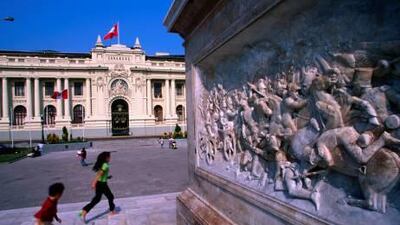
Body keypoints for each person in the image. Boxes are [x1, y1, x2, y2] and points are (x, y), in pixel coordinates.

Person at [79, 152, 116, 222]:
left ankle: (84, 211)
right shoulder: (105, 165)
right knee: (108, 197)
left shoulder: (103, 164)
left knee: (98, 199)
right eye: (109, 157)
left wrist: (107, 177)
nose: (110, 158)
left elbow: (102, 174)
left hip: (101, 183)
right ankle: (84, 212)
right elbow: (99, 174)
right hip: (102, 184)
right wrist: (94, 183)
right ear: (106, 158)